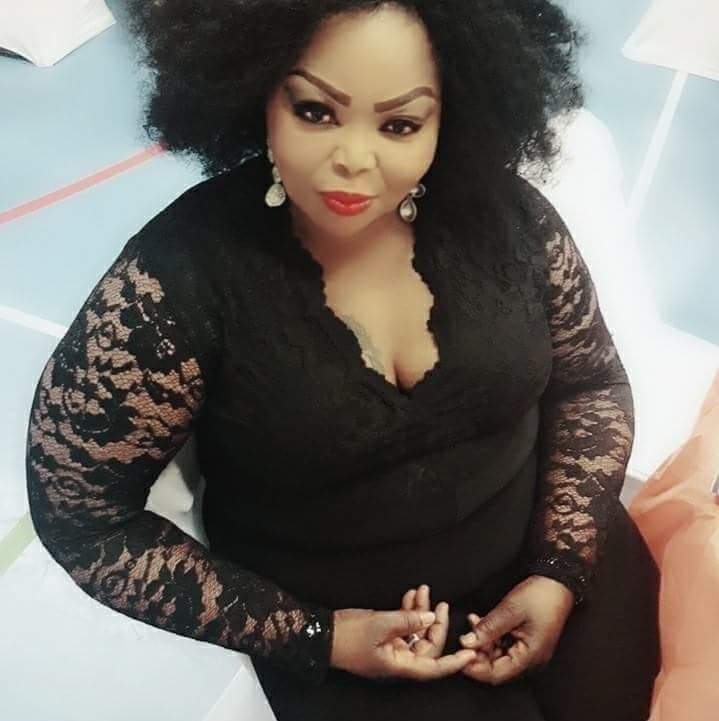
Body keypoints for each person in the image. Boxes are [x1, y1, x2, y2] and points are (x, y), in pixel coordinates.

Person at [25, 1, 660, 719]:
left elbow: (590, 384)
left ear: (448, 113)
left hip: (560, 563)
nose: (354, 158)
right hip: (346, 645)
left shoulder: (512, 220)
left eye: (400, 124)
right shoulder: (174, 287)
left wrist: (561, 568)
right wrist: (315, 636)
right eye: (314, 111)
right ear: (259, 90)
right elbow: (83, 519)